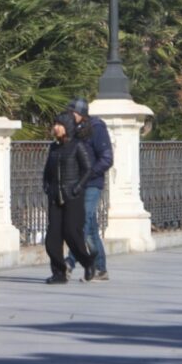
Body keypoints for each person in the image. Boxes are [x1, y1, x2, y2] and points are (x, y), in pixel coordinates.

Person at [42, 111, 95, 284]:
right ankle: (59, 273)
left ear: (68, 127)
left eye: (59, 124)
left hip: (72, 197)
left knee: (72, 234)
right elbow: (48, 170)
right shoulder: (54, 147)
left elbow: (88, 169)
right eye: (54, 124)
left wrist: (77, 188)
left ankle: (88, 262)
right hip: (55, 197)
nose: (55, 128)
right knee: (52, 239)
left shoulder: (77, 146)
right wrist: (46, 184)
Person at [64, 98, 113, 281]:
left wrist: (88, 174)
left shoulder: (97, 128)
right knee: (90, 228)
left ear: (81, 114)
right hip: (76, 184)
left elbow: (107, 158)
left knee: (82, 222)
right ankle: (100, 269)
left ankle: (69, 262)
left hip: (92, 184)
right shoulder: (72, 130)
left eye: (72, 113)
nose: (70, 116)